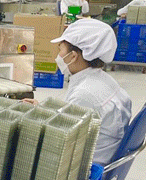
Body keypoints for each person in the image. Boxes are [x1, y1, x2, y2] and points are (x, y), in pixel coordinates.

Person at [25, 19, 131, 166]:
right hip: (103, 154)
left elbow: (60, 138)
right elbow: (73, 117)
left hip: (86, 167)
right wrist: (42, 110)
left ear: (73, 56)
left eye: (60, 50)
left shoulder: (84, 93)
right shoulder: (103, 79)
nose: (58, 56)